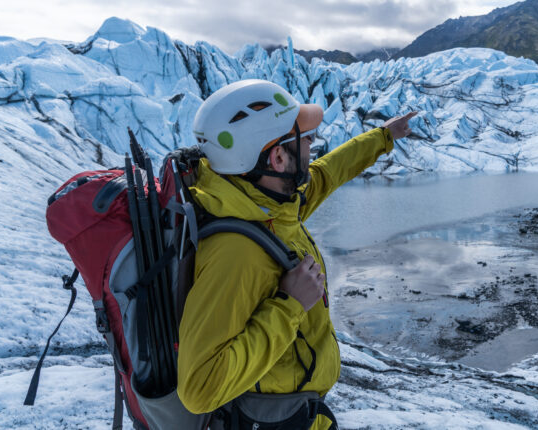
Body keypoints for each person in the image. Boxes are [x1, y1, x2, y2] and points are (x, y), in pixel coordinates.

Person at [176, 79, 417, 429]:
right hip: (273, 420)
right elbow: (199, 389)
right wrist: (289, 304)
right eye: (305, 139)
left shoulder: (268, 207)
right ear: (277, 157)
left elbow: (327, 173)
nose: (312, 145)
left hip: (298, 410)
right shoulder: (238, 252)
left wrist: (383, 137)